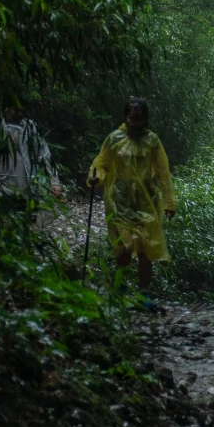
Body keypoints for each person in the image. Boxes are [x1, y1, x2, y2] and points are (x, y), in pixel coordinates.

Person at [87, 97, 176, 307]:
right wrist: (96, 178)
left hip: (146, 202)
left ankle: (143, 294)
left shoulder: (153, 141)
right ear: (125, 117)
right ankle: (119, 291)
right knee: (125, 247)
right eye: (131, 118)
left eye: (139, 119)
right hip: (119, 201)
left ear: (146, 120)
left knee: (146, 248)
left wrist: (169, 202)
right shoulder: (113, 139)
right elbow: (101, 164)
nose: (134, 122)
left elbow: (163, 172)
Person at [0, 108, 63, 205]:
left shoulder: (30, 127)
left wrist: (54, 181)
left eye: (22, 111)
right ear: (6, 108)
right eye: (16, 110)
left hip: (27, 191)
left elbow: (44, 154)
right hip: (1, 190)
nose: (19, 114)